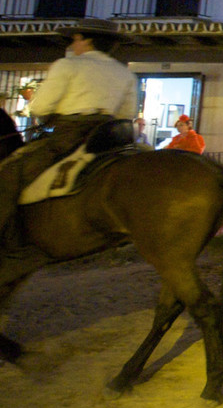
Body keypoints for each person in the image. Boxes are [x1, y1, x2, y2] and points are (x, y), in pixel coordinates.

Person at [0, 19, 139, 257]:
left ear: (87, 41)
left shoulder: (67, 65)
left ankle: (8, 239)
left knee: (9, 172)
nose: (73, 44)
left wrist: (44, 108)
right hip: (108, 136)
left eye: (76, 39)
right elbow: (127, 113)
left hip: (71, 133)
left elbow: (41, 107)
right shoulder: (124, 73)